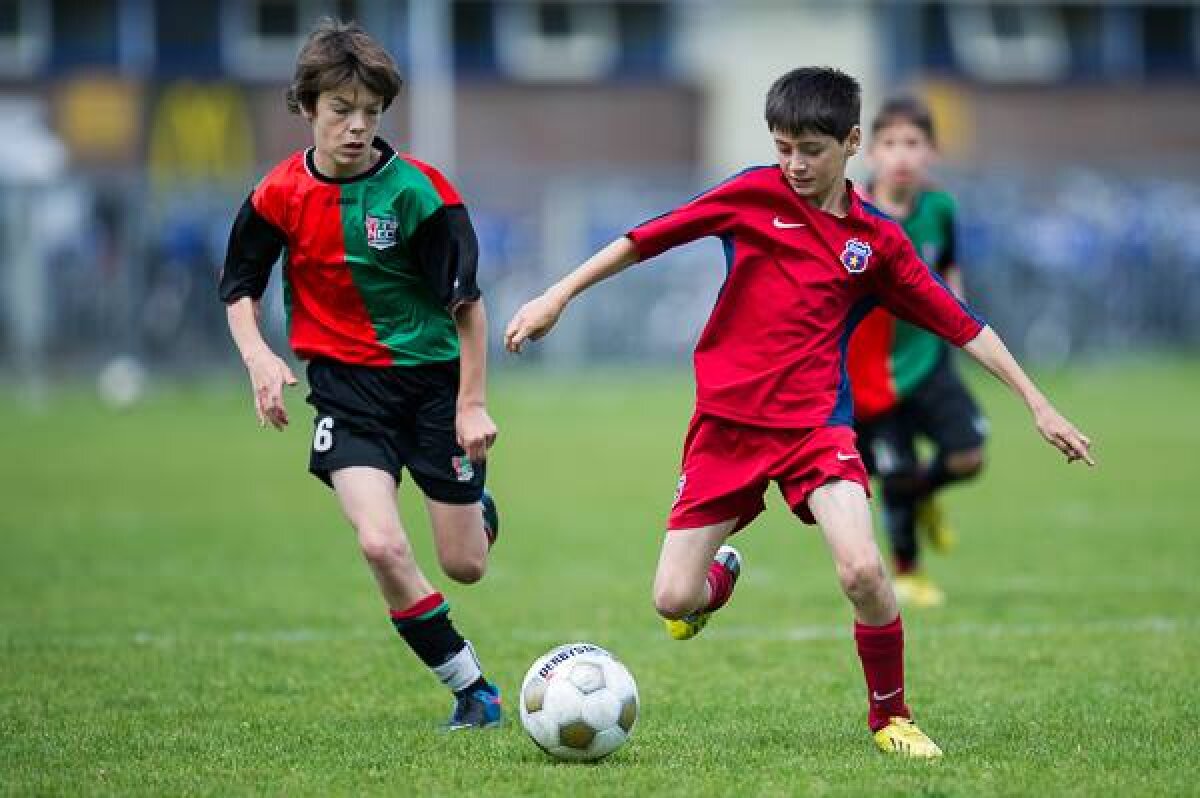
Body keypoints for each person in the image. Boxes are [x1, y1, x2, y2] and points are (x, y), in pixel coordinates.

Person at [505, 67, 1092, 758]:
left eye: (809, 150)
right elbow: (644, 238)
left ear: (850, 145)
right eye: (782, 146)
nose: (793, 164)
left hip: (817, 430)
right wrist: (557, 296)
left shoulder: (877, 244)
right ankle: (721, 571)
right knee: (672, 599)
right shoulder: (753, 194)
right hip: (725, 431)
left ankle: (891, 718)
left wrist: (1038, 403)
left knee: (863, 572)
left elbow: (962, 324)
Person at [218, 19, 503, 730]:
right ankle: (473, 690)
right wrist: (258, 356)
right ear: (307, 107)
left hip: (433, 386)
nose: (356, 126)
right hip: (346, 391)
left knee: (465, 564)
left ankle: (477, 511)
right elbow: (239, 287)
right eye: (341, 110)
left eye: (370, 113)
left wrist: (471, 405)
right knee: (379, 543)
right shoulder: (277, 193)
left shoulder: (420, 194)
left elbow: (468, 308)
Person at [846, 96, 986, 608]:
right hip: (869, 373)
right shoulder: (850, 209)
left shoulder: (941, 208)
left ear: (932, 152)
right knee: (895, 471)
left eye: (913, 143)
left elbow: (948, 267)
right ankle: (907, 572)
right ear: (869, 152)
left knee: (969, 457)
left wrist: (961, 321)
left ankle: (926, 496)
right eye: (890, 144)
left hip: (927, 358)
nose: (901, 155)